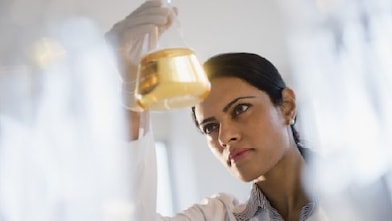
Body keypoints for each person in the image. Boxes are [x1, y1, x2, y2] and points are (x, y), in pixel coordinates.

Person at [105, 1, 327, 220]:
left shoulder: (352, 193)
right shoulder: (217, 215)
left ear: (287, 106)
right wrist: (130, 100)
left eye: (240, 109)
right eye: (210, 126)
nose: (224, 137)